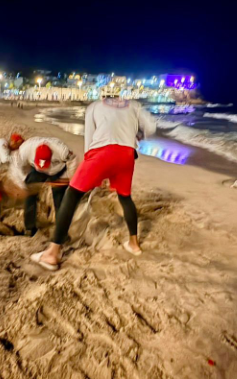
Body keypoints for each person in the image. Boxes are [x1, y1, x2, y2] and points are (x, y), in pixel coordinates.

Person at [31, 93, 157, 270]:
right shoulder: (134, 105)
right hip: (127, 154)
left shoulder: (94, 106)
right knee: (125, 197)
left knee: (72, 194)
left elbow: (89, 141)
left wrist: (96, 172)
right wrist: (138, 135)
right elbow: (151, 126)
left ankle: (52, 253)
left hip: (102, 153)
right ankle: (133, 244)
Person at [7, 137, 79, 236]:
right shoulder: (26, 149)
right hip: (37, 171)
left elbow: (73, 160)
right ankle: (30, 228)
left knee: (60, 201)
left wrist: (71, 179)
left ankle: (61, 232)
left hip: (58, 171)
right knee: (29, 196)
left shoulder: (61, 150)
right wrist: (22, 186)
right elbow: (15, 168)